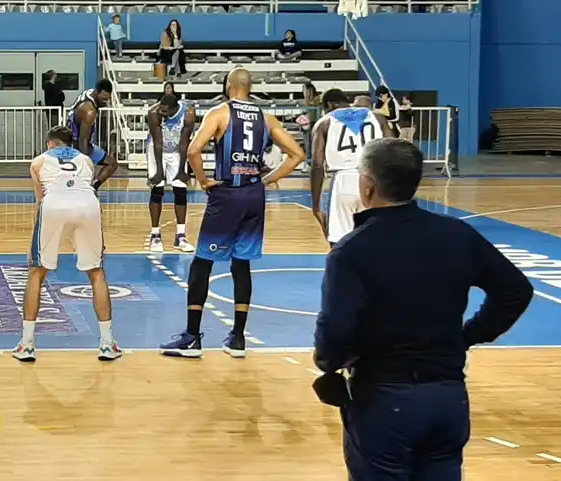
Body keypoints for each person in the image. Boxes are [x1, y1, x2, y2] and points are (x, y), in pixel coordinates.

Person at [314, 138, 534, 480]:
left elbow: (336, 328)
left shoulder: (352, 252)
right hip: (448, 396)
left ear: (368, 186)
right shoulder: (456, 233)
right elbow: (515, 290)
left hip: (384, 398)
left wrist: (329, 367)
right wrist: (469, 335)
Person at [160, 68, 306, 358]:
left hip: (226, 194)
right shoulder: (266, 117)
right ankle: (237, 338)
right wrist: (267, 179)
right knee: (242, 265)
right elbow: (298, 155)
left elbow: (193, 150)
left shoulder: (220, 112)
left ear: (228, 86)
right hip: (254, 195)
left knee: (201, 264)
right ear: (250, 88)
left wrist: (203, 180)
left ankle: (192, 337)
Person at [14, 125, 121, 363]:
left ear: (50, 143)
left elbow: (40, 201)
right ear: (69, 144)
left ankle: (27, 344)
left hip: (54, 205)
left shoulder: (38, 162)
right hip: (88, 205)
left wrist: (34, 236)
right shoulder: (85, 159)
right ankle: (107, 344)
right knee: (96, 273)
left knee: (36, 273)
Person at [309, 89, 396, 246]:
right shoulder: (376, 117)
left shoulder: (324, 122)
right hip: (374, 178)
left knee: (339, 244)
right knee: (376, 240)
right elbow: (394, 151)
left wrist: (316, 206)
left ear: (328, 105)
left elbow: (316, 165)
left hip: (343, 181)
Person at [145, 94, 197, 254]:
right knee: (157, 189)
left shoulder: (188, 115)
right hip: (156, 149)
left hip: (176, 151)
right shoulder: (154, 113)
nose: (161, 112)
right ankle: (155, 235)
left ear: (174, 109)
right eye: (160, 108)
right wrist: (159, 172)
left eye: (165, 111)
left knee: (180, 190)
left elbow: (184, 144)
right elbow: (158, 143)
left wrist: (182, 169)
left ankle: (180, 236)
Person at [67, 79, 118, 188]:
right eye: (103, 99)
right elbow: (82, 141)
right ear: (97, 93)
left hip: (83, 142)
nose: (106, 102)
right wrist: (86, 164)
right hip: (75, 146)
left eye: (107, 99)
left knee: (112, 163)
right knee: (82, 176)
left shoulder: (89, 93)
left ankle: (94, 187)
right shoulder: (89, 111)